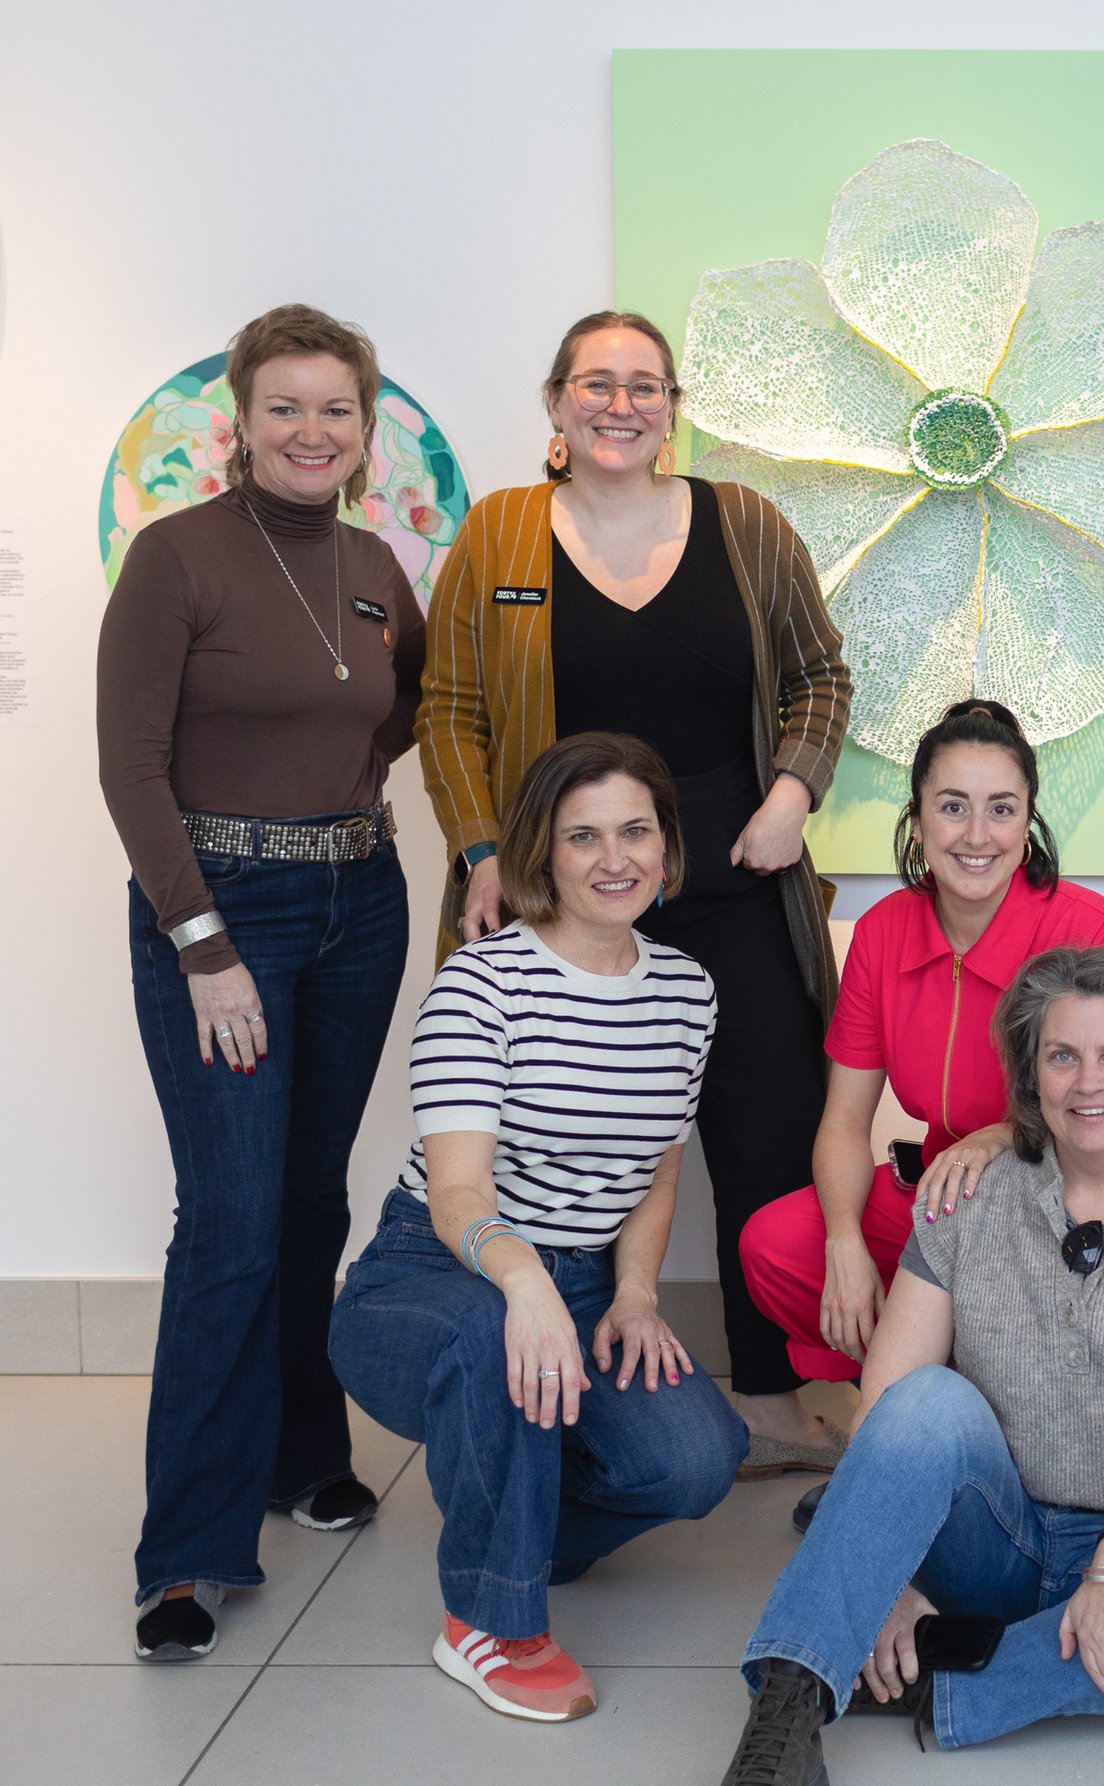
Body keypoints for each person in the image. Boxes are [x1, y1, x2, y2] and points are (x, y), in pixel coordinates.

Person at [416, 311, 854, 1477]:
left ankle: (766, 1388)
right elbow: (448, 707)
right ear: (556, 403)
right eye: (595, 384)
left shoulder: (745, 525)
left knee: (767, 1141)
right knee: (557, 1135)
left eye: (645, 385)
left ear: (674, 404)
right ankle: (552, 1361)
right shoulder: (500, 531)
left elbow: (819, 675)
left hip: (736, 873)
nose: (621, 404)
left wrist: (792, 798)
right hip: (566, 894)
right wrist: (480, 851)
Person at [717, 948, 1104, 1777]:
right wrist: (889, 1576)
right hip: (987, 1531)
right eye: (1063, 1056)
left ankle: (935, 1682)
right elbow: (891, 1400)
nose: (1090, 1081)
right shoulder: (966, 1198)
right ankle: (788, 1704)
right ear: (1032, 1078)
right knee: (925, 1401)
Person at [97, 303, 426, 1661]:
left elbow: (398, 717)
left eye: (335, 409)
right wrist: (206, 946)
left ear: (366, 427)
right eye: (284, 407)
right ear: (239, 419)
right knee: (229, 1216)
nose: (311, 431)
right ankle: (187, 1547)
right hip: (222, 918)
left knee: (308, 1195)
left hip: (361, 905)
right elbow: (132, 771)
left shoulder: (372, 562)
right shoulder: (175, 558)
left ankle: (303, 1455)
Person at [329, 733, 746, 1722]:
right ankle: (490, 1620)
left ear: (666, 845)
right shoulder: (483, 986)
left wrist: (636, 1295)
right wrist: (524, 1287)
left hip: (589, 1278)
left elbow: (657, 1170)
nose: (615, 859)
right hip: (432, 1273)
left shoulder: (685, 994)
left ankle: (511, 1504)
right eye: (584, 835)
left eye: (636, 831)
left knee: (696, 1460)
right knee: (492, 1339)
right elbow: (459, 1193)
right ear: (542, 855)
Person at [737, 699, 1104, 1526]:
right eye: (952, 806)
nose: (978, 834)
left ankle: (973, 1447)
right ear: (919, 817)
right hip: (956, 1203)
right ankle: (925, 1432)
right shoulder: (885, 932)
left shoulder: (1094, 932)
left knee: (1005, 1301)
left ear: (1029, 820)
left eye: (1002, 809)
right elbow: (841, 1124)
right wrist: (844, 1240)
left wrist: (1008, 1132)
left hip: (1089, 1205)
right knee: (781, 1245)